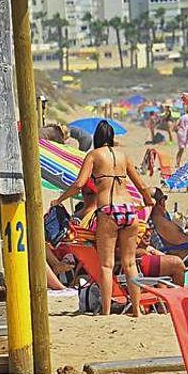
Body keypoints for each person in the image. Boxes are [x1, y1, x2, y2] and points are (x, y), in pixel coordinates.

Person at [50, 121, 155, 316]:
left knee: (106, 265)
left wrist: (59, 199)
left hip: (108, 210)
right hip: (129, 210)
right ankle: (137, 311)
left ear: (97, 138)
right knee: (129, 263)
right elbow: (141, 185)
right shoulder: (123, 156)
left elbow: (79, 183)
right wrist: (149, 201)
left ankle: (106, 311)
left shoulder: (94, 155)